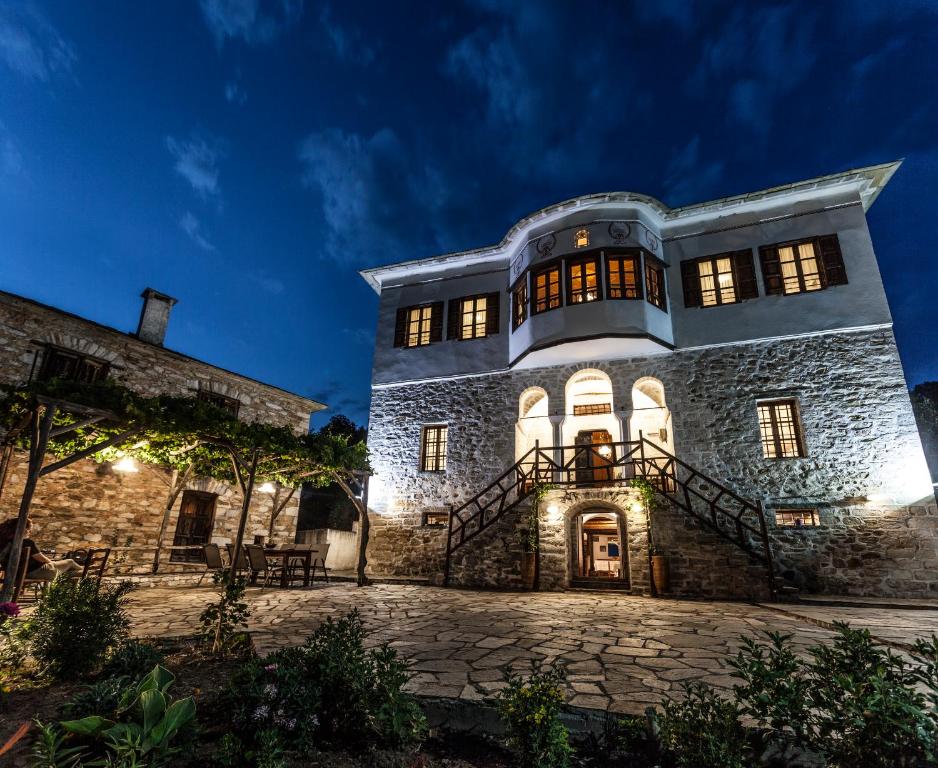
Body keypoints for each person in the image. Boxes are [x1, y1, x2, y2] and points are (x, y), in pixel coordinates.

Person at [0, 516, 82, 582]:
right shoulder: (27, 542)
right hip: (37, 572)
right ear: (24, 529)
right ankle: (86, 573)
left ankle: (84, 574)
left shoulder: (5, 542)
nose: (30, 532)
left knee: (68, 573)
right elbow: (42, 559)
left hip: (16, 574)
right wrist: (52, 563)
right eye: (29, 530)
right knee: (70, 562)